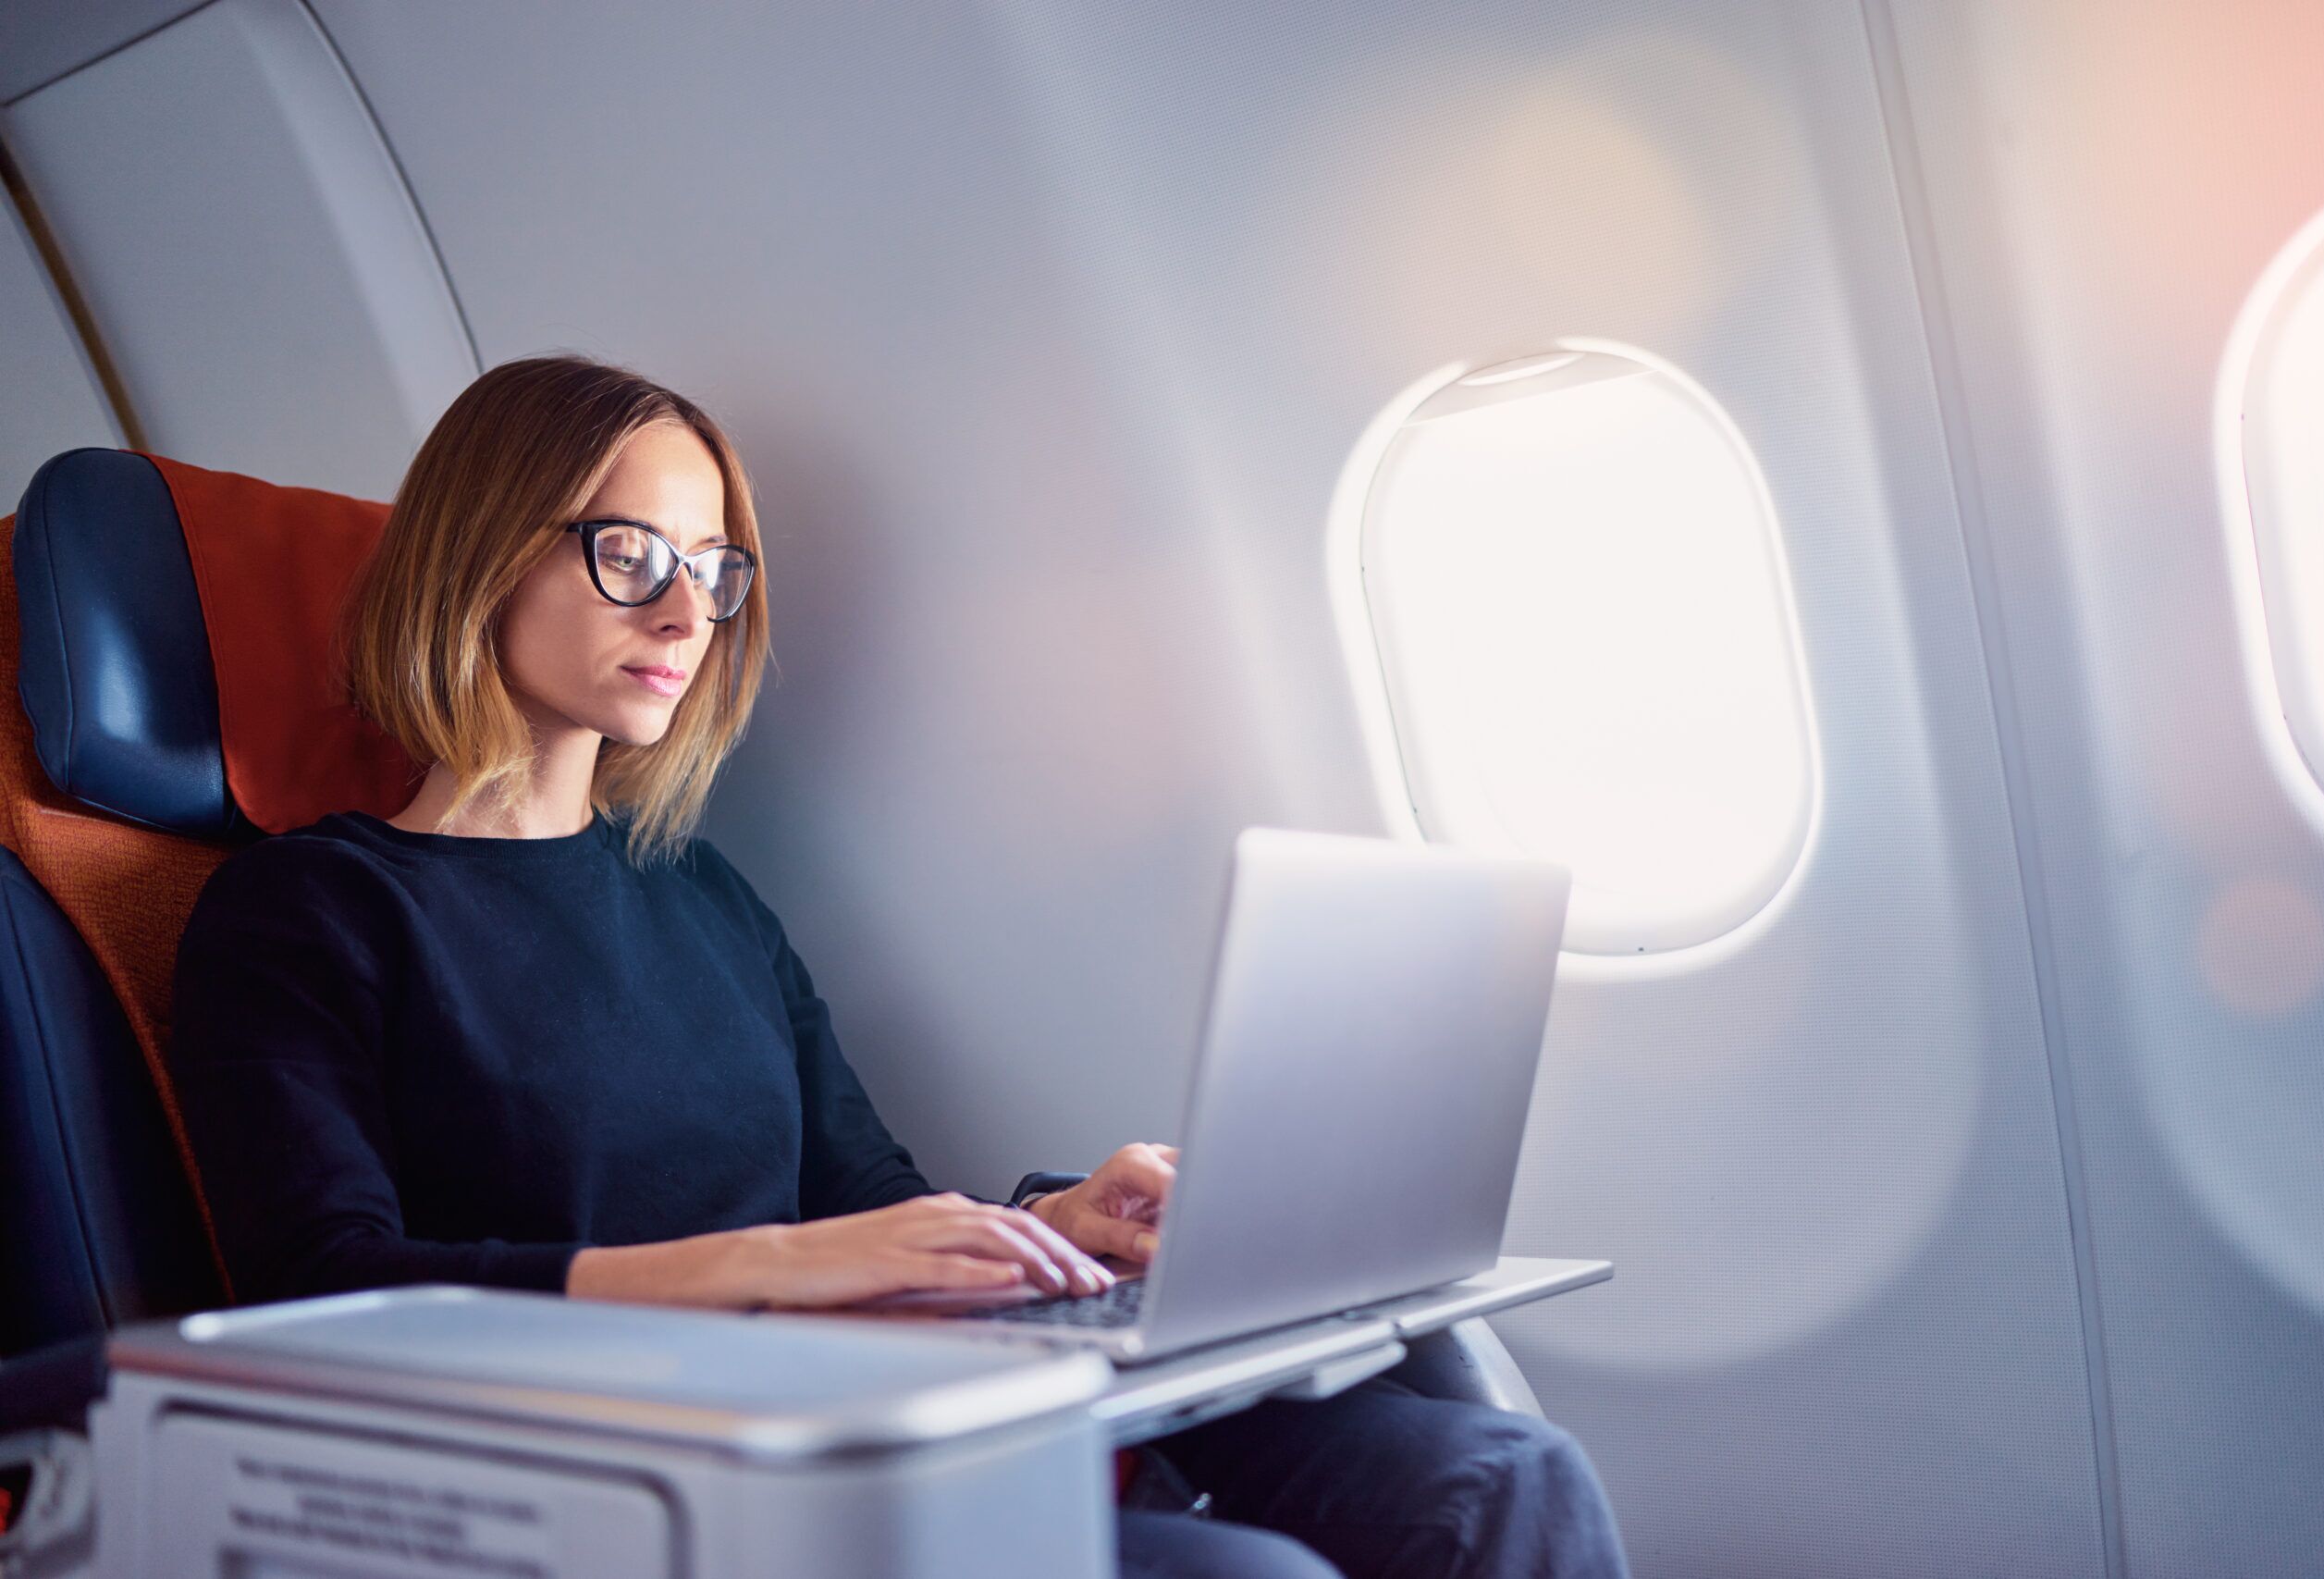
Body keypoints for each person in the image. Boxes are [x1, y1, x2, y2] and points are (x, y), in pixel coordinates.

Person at [168, 354, 1628, 1579]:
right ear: (480, 549)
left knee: (1504, 1473)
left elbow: (868, 1202)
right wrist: (777, 1270)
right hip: (647, 1459)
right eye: (631, 555)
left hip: (877, 1385)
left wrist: (1054, 1223)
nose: (686, 613)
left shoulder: (698, 895)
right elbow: (329, 1293)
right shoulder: (306, 915)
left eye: (713, 570)